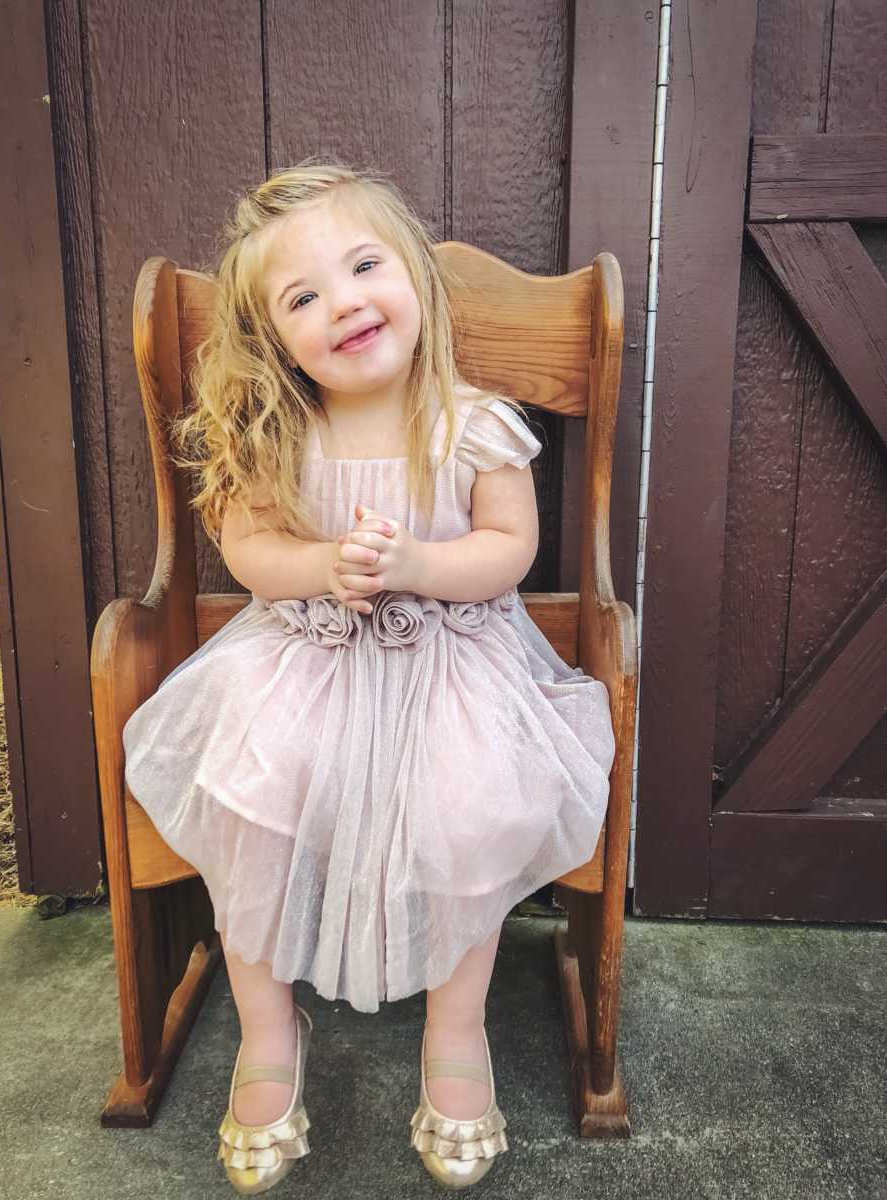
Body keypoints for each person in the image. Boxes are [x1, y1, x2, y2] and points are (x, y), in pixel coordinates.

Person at [122, 159, 616, 1194]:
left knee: (467, 808)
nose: (342, 301)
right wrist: (319, 568)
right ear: (270, 337)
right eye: (302, 296)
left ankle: (455, 1029)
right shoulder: (276, 430)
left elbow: (510, 548)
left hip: (452, 667)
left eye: (362, 266)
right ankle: (267, 1028)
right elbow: (251, 552)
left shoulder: (470, 419)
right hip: (303, 657)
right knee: (253, 803)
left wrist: (420, 569)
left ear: (415, 281)